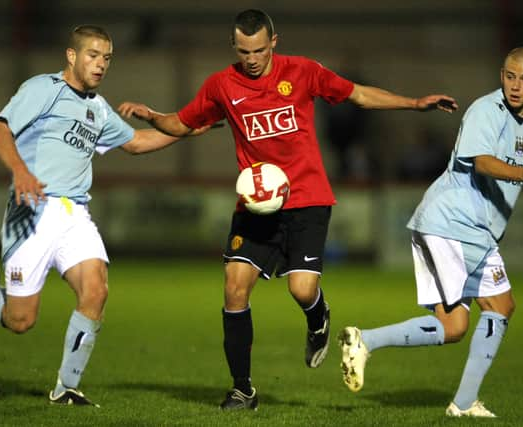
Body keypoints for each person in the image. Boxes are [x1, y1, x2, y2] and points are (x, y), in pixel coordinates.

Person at [118, 9, 457, 411]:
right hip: (257, 206)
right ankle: (243, 389)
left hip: (308, 200)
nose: (252, 58)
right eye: (244, 51)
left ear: (274, 42)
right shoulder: (221, 85)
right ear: (234, 47)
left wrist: (414, 103)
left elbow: (359, 94)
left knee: (302, 288)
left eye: (259, 49)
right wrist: (154, 116)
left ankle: (318, 318)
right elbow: (183, 123)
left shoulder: (303, 72)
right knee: (234, 287)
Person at [0, 25, 207, 407]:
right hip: (31, 209)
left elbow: (137, 142)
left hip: (73, 212)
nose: (100, 64)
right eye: (93, 55)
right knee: (20, 321)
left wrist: (191, 127)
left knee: (95, 289)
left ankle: (66, 388)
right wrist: (21, 171)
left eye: (107, 58)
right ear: (72, 56)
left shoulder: (97, 108)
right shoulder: (42, 89)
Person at [339, 47, 523, 418]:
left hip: (474, 231)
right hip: (451, 223)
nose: (516, 86)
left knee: (462, 323)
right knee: (489, 310)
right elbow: (482, 162)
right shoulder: (487, 110)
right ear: (501, 75)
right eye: (510, 77)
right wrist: (522, 173)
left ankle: (367, 342)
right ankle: (463, 402)